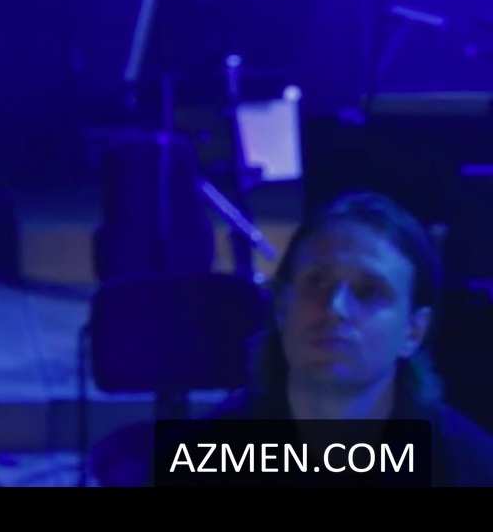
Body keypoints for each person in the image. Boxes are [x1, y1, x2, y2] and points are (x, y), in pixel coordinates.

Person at [202, 191, 493, 486]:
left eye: (368, 292)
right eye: (317, 282)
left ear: (413, 331)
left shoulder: (469, 468)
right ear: (281, 306)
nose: (336, 308)